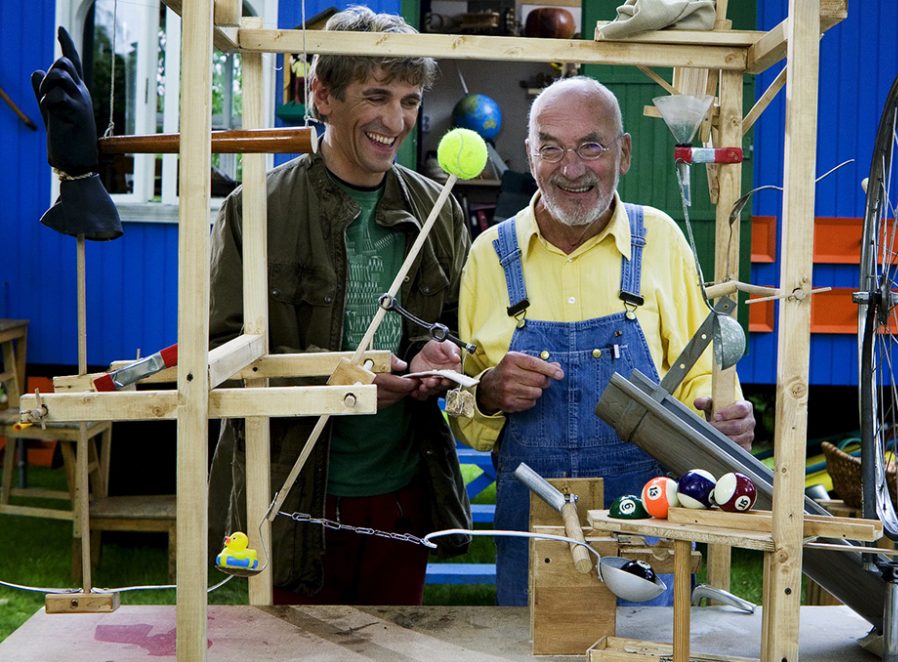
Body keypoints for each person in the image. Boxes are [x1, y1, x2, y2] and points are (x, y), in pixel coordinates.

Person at [451, 76, 755, 605]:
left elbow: (700, 379)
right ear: (529, 153)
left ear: (625, 152)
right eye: (551, 148)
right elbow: (465, 414)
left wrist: (718, 418)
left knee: (650, 652)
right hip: (532, 529)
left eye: (591, 145)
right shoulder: (488, 255)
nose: (571, 169)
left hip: (645, 523)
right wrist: (487, 394)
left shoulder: (659, 240)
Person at [207, 6, 472, 605]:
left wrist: (438, 354)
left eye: (409, 100)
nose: (395, 120)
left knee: (393, 647)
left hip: (404, 488)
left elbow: (453, 326)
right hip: (292, 490)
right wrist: (340, 385)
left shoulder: (439, 207)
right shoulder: (259, 207)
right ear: (323, 96)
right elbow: (219, 358)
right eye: (376, 96)